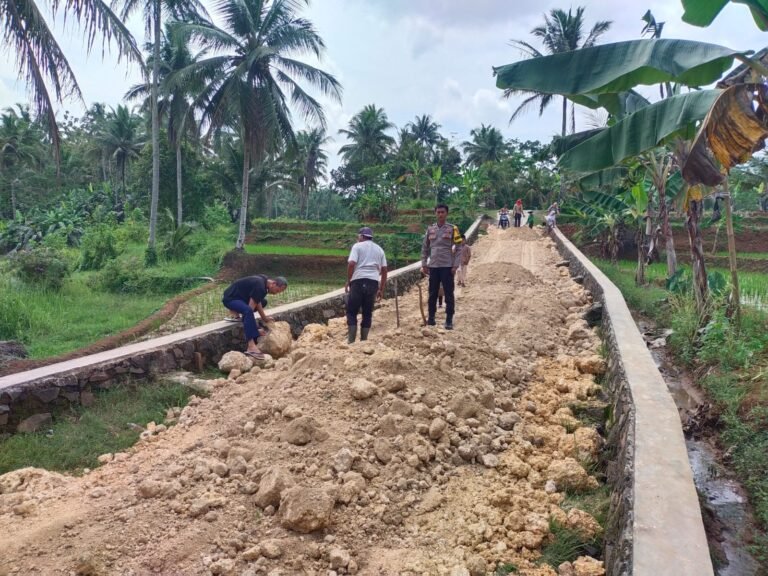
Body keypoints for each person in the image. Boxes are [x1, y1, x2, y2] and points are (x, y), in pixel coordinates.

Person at [222, 275, 288, 360]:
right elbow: (249, 310)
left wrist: (264, 318)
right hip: (230, 299)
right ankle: (251, 347)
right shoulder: (260, 286)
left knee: (263, 302)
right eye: (277, 290)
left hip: (238, 297)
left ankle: (236, 314)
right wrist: (256, 329)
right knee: (247, 311)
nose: (276, 293)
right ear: (274, 283)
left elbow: (257, 300)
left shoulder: (264, 281)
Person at [421, 204, 462, 329]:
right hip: (433, 266)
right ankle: (431, 318)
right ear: (435, 213)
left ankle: (449, 320)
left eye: (442, 212)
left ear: (446, 213)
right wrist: (424, 263)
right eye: (438, 212)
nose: (440, 214)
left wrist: (455, 265)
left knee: (449, 294)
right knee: (432, 293)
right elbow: (425, 248)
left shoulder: (453, 229)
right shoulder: (430, 229)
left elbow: (459, 248)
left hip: (447, 266)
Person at [345, 227, 388, 343]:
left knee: (351, 311)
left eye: (358, 236)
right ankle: (364, 341)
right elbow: (384, 270)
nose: (357, 238)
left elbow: (351, 264)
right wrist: (381, 289)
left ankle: (351, 341)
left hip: (358, 281)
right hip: (373, 282)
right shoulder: (379, 249)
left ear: (362, 236)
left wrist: (349, 280)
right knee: (367, 313)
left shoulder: (357, 246)